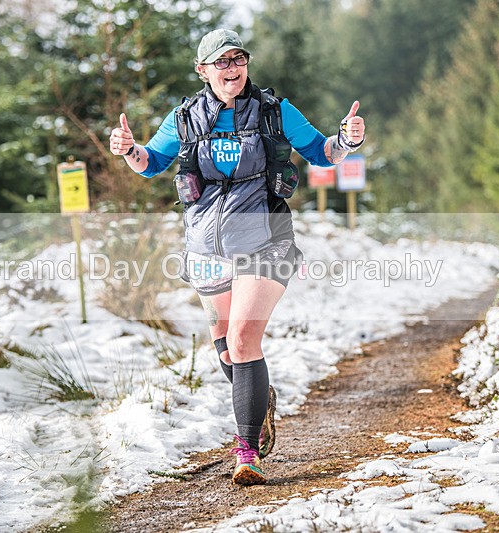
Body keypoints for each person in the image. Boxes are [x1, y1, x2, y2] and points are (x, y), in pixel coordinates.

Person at [109, 29, 365, 485]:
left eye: (238, 59)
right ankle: (258, 397)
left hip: (266, 238)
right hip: (206, 245)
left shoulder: (274, 111)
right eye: (221, 62)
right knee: (226, 346)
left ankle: (247, 453)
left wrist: (347, 139)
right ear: (202, 70)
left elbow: (323, 154)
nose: (232, 69)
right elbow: (151, 162)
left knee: (244, 340)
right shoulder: (185, 118)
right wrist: (129, 150)